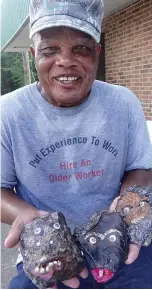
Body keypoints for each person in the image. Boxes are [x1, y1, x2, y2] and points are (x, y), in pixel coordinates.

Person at [1, 0, 152, 289]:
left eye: (81, 48)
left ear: (97, 53)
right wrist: (26, 216)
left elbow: (140, 169)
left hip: (115, 237)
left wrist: (129, 208)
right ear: (34, 55)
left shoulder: (123, 103)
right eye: (50, 49)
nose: (66, 60)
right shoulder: (8, 113)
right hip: (48, 249)